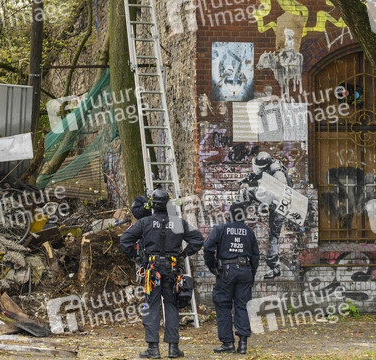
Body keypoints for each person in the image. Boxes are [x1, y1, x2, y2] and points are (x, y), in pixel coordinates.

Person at [121, 189, 204, 359]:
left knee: (151, 306)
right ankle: (173, 348)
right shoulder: (178, 223)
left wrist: (137, 257)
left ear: (152, 204)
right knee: (171, 306)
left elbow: (125, 240)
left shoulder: (145, 222)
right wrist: (183, 254)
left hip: (152, 270)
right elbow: (198, 239)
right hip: (172, 269)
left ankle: (153, 349)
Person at [203, 203, 259, 355]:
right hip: (245, 271)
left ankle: (227, 343)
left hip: (226, 271)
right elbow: (255, 255)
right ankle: (243, 344)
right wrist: (251, 273)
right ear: (244, 215)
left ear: (230, 214)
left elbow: (207, 248)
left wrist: (213, 267)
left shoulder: (221, 229)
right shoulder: (249, 231)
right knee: (243, 306)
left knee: (223, 304)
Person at [241, 151, 292, 279]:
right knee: (247, 191)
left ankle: (275, 267)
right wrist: (249, 179)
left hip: (280, 204)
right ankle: (241, 217)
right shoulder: (270, 166)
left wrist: (265, 203)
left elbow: (281, 191)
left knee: (274, 234)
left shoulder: (277, 173)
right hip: (274, 200)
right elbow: (262, 176)